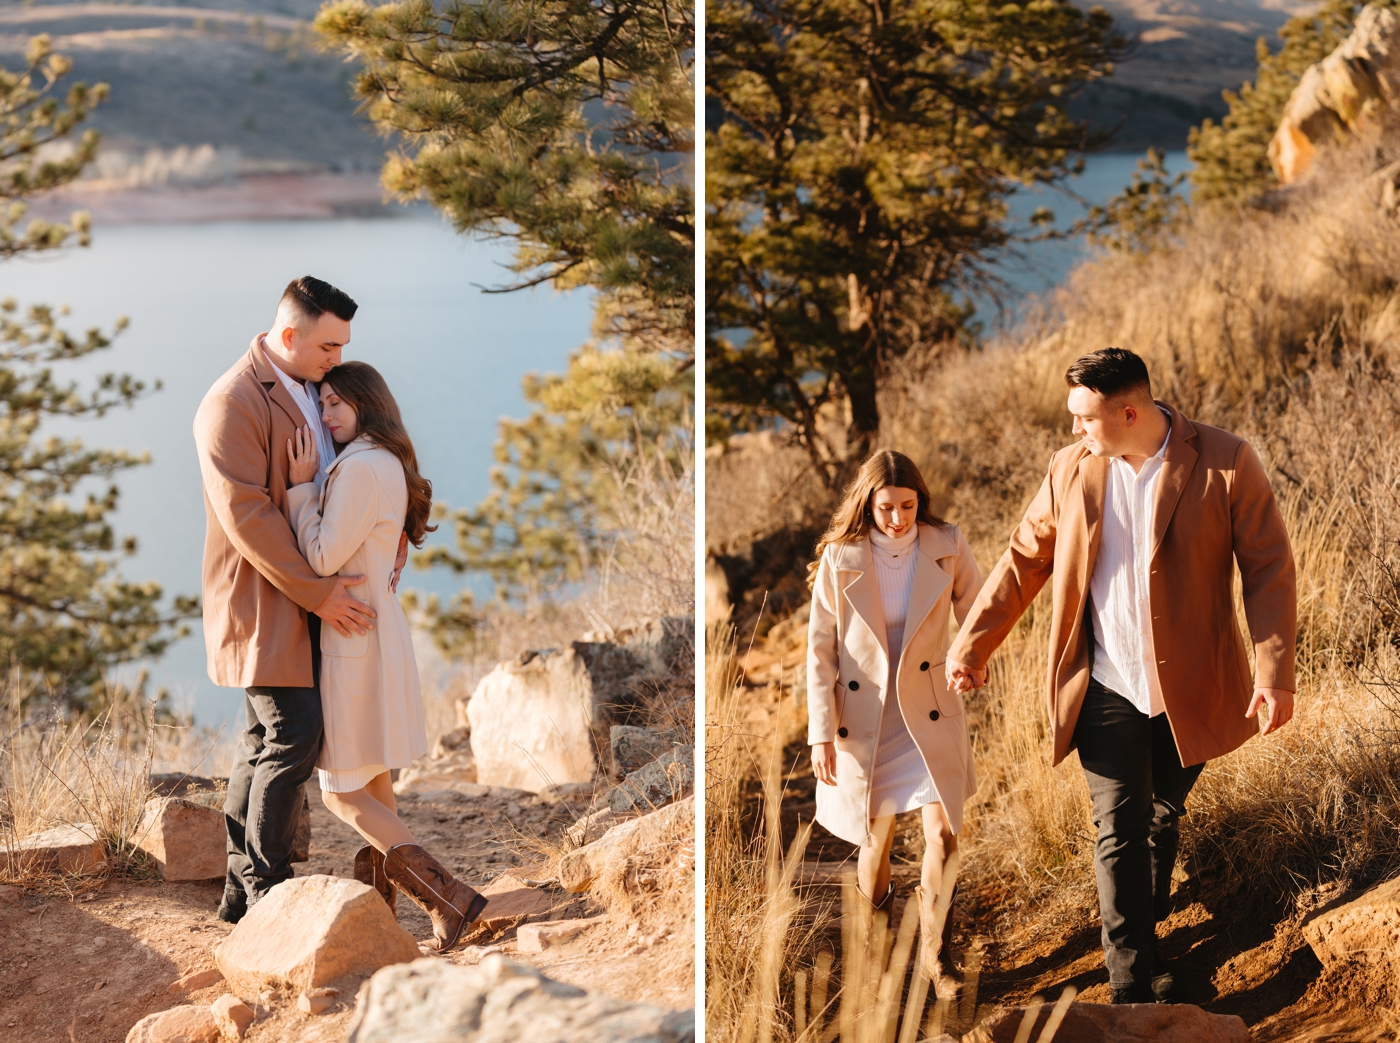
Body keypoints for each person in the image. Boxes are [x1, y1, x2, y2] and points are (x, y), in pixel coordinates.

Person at [945, 347, 1297, 1004]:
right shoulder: (1070, 468)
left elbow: (1269, 566)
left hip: (1190, 683)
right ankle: (1132, 977)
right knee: (1118, 823)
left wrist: (1275, 674)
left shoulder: (1223, 459)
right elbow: (1025, 558)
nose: (1075, 429)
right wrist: (973, 644)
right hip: (1103, 680)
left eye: (1084, 417)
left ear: (1128, 411)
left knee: (1162, 809)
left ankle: (1148, 914)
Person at [194, 276, 391, 923]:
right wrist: (321, 593)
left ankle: (238, 892)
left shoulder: (316, 390)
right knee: (293, 734)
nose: (338, 357)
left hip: (308, 597)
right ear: (289, 336)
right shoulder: (231, 402)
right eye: (329, 345)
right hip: (262, 599)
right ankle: (266, 891)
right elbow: (247, 516)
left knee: (264, 738)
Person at [285, 361, 487, 951]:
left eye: (334, 406)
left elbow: (322, 557)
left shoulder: (359, 469)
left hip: (355, 638)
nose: (324, 417)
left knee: (340, 793)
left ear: (366, 406)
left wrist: (301, 489)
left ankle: (450, 897)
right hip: (376, 632)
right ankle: (380, 916)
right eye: (321, 405)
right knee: (372, 783)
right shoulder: (384, 462)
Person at [806, 449, 983, 985]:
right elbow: (819, 650)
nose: (898, 519)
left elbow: (977, 610)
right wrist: (820, 734)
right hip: (865, 719)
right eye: (886, 508)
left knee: (944, 835)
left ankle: (937, 959)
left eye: (908, 506)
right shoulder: (842, 557)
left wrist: (971, 657)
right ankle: (878, 961)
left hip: (927, 708)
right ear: (868, 504)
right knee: (875, 842)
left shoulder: (946, 543)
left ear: (919, 501)